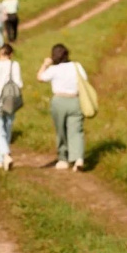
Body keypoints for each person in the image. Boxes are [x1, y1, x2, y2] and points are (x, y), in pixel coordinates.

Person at [36, 43, 88, 172]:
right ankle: (78, 158)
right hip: (75, 100)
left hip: (59, 100)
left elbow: (40, 78)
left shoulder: (54, 69)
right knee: (76, 131)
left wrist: (45, 64)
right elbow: (85, 79)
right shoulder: (77, 66)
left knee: (61, 131)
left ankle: (63, 158)